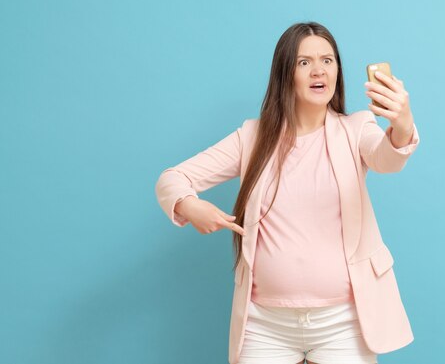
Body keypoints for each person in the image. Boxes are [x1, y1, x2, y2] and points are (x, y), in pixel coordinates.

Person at [155, 21, 420, 364]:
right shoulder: (252, 136)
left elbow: (387, 159)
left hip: (343, 324)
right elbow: (172, 179)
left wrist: (402, 123)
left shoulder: (356, 129)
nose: (318, 70)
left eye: (327, 60)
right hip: (265, 326)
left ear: (337, 70)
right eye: (303, 62)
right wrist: (190, 207)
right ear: (285, 73)